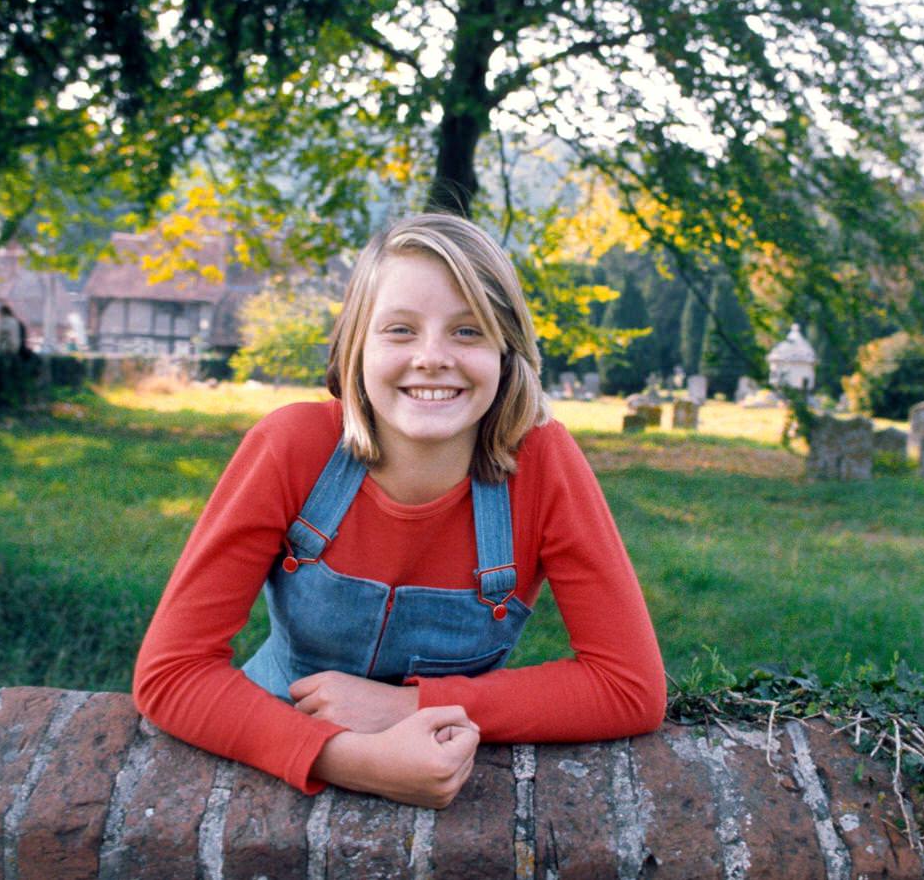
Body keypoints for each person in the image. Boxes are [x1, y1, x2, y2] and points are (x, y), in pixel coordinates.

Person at [133, 213, 665, 808]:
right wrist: (350, 758)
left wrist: (409, 706)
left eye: (468, 331)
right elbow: (171, 673)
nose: (433, 357)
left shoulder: (543, 464)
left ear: (507, 351)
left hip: (447, 759)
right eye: (400, 330)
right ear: (355, 346)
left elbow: (629, 687)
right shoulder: (291, 447)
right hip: (269, 758)